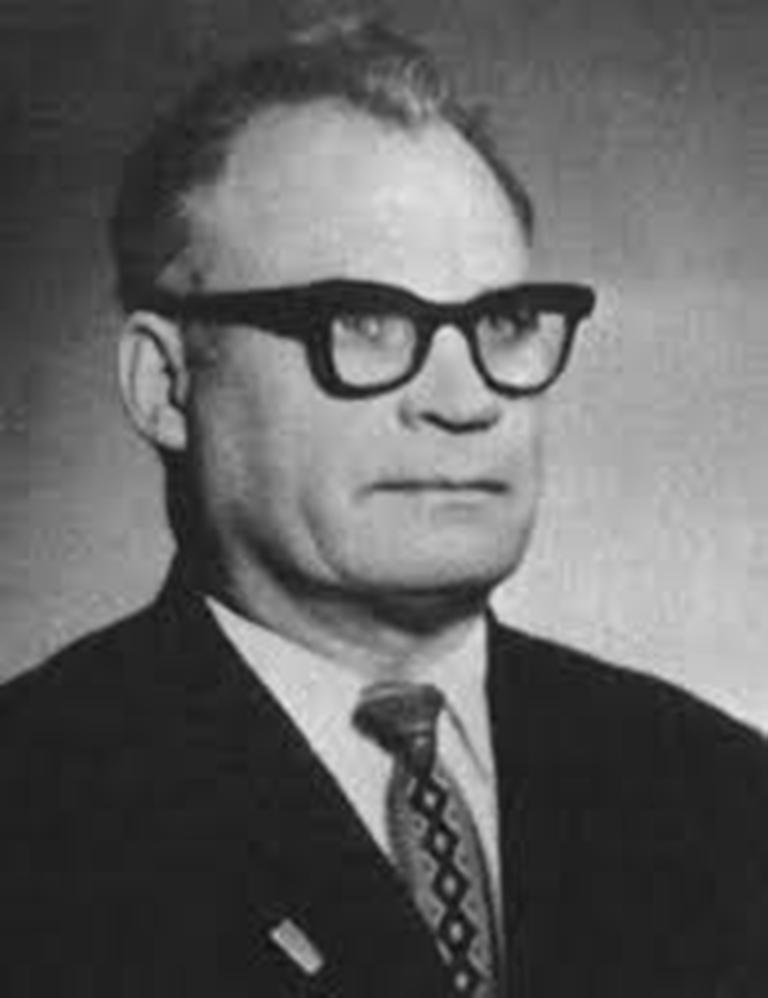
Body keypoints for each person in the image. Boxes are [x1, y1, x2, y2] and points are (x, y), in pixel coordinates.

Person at [1, 19, 767, 998]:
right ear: (165, 383)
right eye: (363, 321)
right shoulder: (35, 805)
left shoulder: (721, 792)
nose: (465, 399)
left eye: (501, 321)